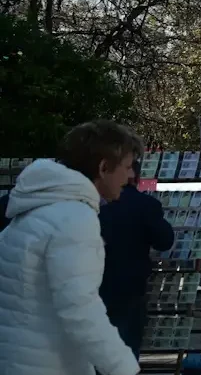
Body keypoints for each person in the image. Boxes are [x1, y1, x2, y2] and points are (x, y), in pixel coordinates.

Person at [0, 120, 143, 375]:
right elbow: (80, 308)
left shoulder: (35, 210)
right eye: (127, 166)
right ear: (103, 167)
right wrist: (124, 368)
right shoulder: (74, 219)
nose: (131, 176)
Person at [99, 159, 176, 356]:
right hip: (129, 288)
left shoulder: (87, 202)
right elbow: (164, 241)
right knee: (125, 350)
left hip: (90, 286)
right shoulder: (145, 205)